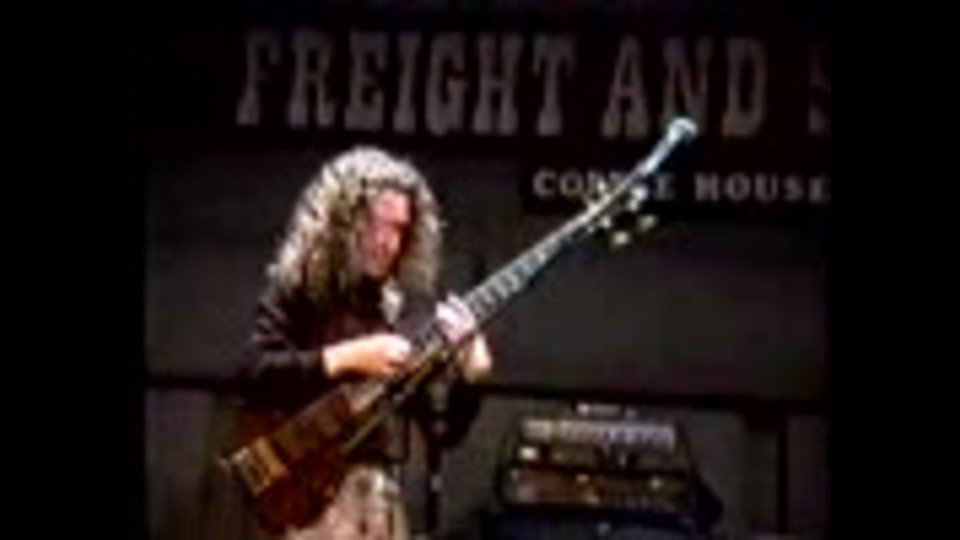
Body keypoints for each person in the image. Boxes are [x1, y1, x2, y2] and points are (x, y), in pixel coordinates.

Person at [230, 146, 493, 540]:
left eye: (398, 229)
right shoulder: (300, 289)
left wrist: (473, 378)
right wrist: (347, 358)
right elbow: (254, 371)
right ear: (342, 220)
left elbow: (441, 433)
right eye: (373, 224)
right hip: (310, 505)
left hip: (380, 503)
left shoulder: (400, 312)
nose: (385, 242)